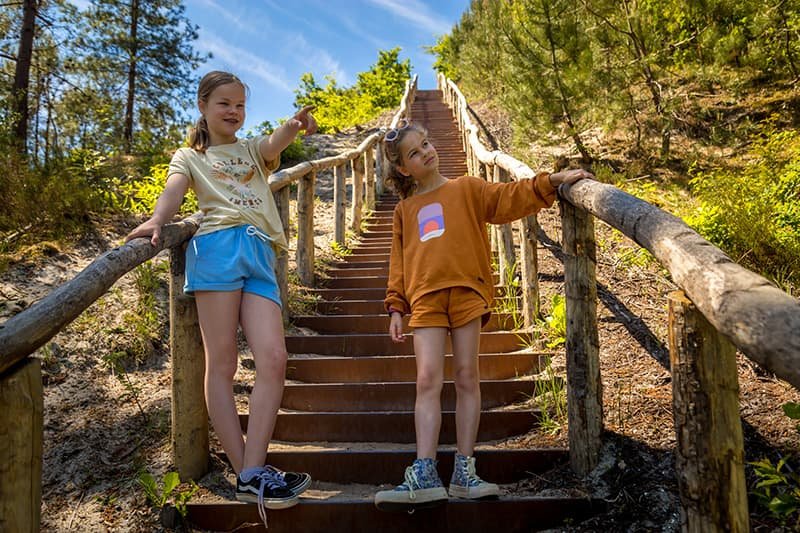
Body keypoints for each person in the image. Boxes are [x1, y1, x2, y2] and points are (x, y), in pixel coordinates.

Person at [126, 71, 317, 522]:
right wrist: (157, 220)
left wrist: (293, 125)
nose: (233, 112)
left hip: (260, 252)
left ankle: (252, 472)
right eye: (223, 104)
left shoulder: (250, 149)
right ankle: (248, 471)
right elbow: (174, 189)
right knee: (224, 363)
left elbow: (273, 146)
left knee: (274, 358)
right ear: (203, 106)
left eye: (240, 105)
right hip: (215, 249)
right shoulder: (189, 156)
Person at [373, 120, 592, 512]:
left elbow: (510, 196)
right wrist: (395, 306)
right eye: (414, 153)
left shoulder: (467, 189)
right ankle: (424, 472)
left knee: (467, 375)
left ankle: (464, 470)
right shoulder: (405, 210)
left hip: (468, 294)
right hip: (424, 300)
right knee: (427, 379)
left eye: (426, 143)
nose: (426, 152)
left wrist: (552, 181)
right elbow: (398, 264)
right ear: (403, 169)